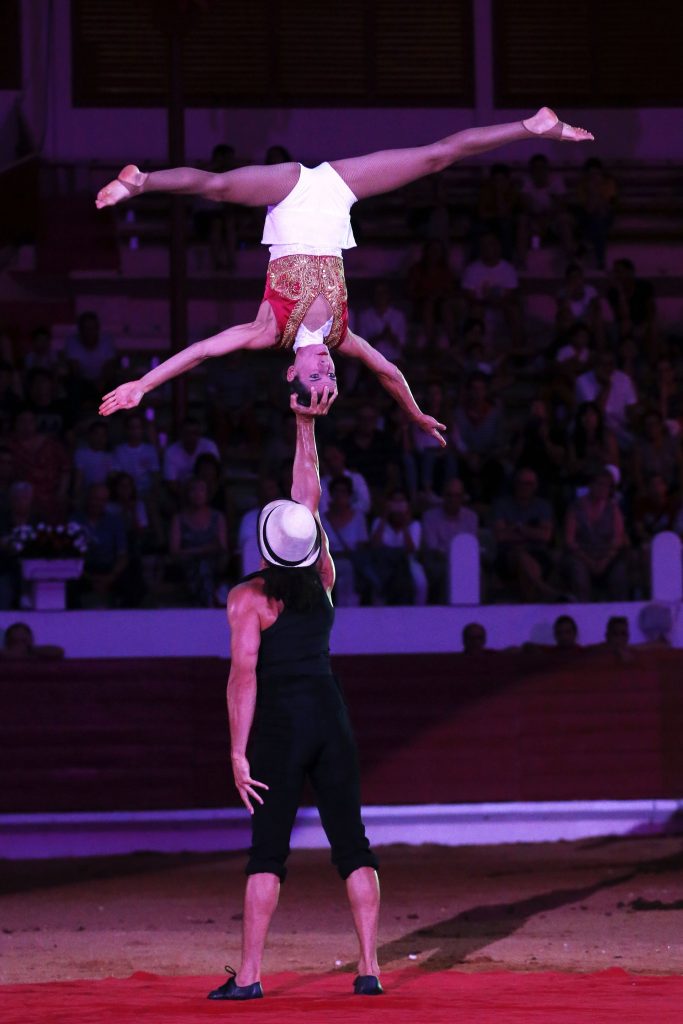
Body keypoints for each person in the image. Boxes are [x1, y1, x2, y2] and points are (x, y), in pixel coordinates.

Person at [97, 107, 593, 442]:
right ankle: (533, 126)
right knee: (437, 157)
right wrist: (413, 411)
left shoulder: (267, 332)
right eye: (332, 377)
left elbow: (201, 351)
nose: (327, 370)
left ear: (293, 371)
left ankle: (141, 183)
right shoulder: (341, 336)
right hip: (336, 195)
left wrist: (144, 383)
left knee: (219, 186)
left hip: (289, 193)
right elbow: (387, 371)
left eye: (317, 376)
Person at [208, 388, 381, 1001]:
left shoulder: (248, 600)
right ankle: (369, 967)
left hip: (281, 724)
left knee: (267, 852)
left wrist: (237, 752)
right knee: (352, 842)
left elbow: (243, 679)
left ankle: (250, 977)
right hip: (330, 715)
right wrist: (306, 423)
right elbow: (306, 499)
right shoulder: (326, 577)